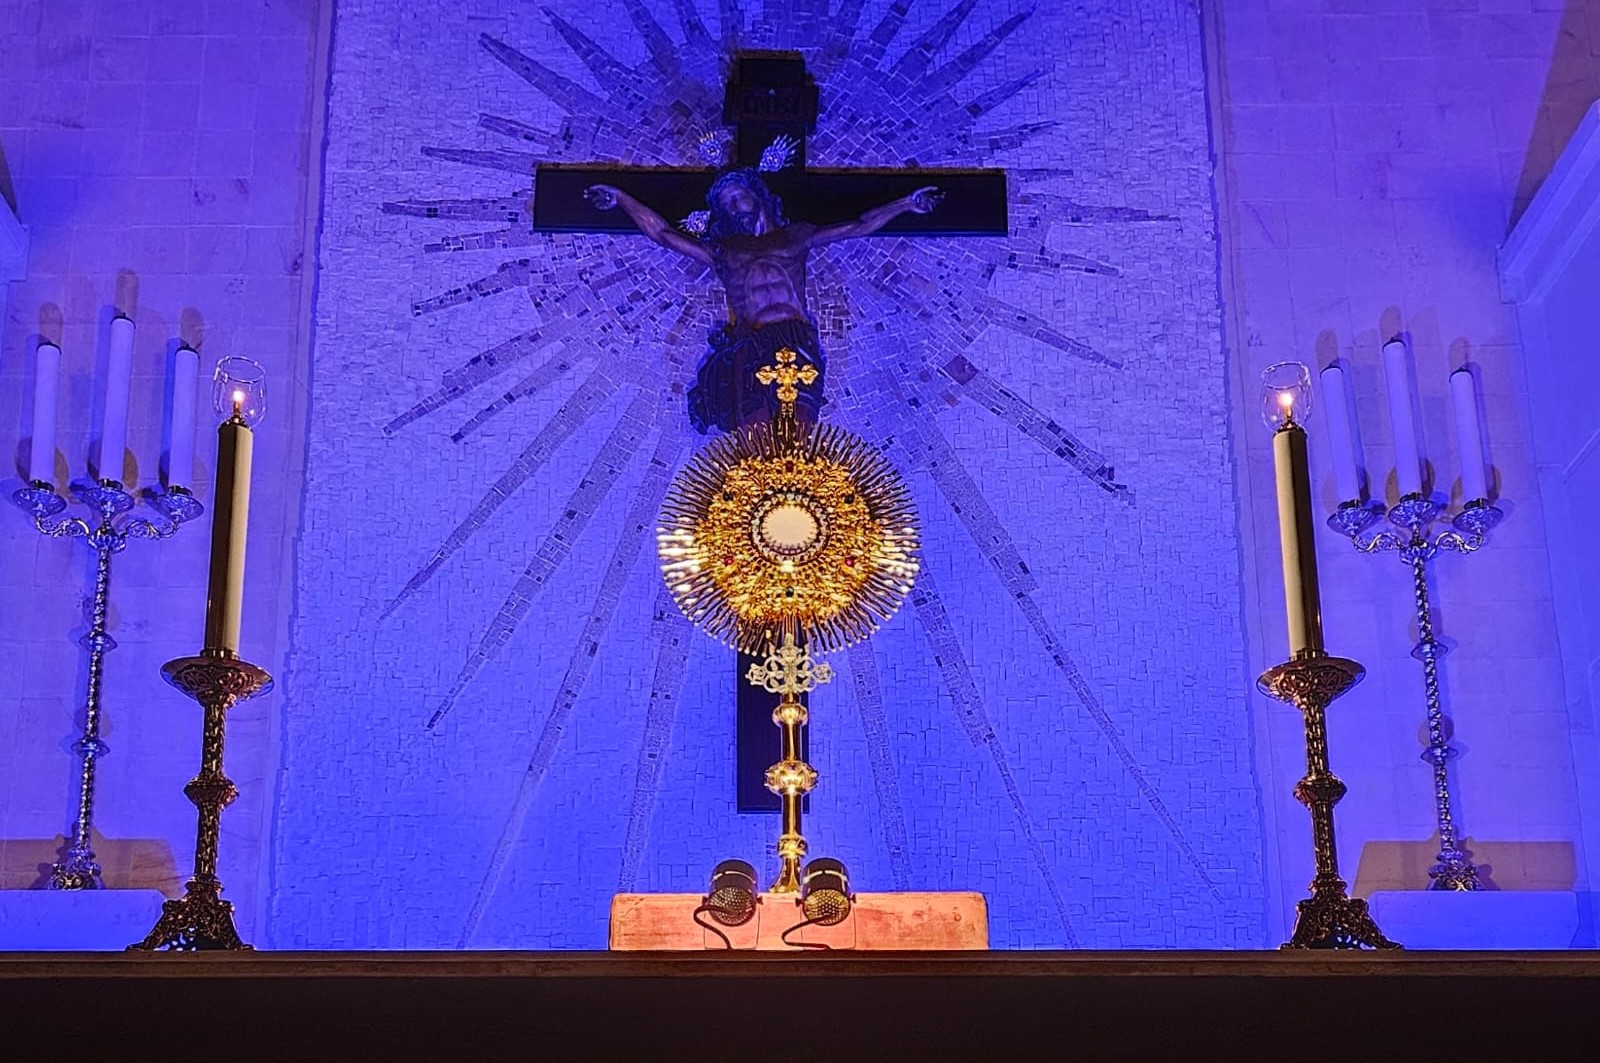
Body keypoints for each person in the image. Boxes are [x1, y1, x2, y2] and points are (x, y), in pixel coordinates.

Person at [585, 171, 941, 433]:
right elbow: (663, 235)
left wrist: (908, 203)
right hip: (749, 340)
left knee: (800, 422)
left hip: (796, 338)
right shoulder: (724, 250)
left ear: (756, 195)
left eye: (737, 196)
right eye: (726, 206)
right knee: (752, 423)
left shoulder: (796, 236)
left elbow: (857, 226)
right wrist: (620, 197)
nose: (734, 207)